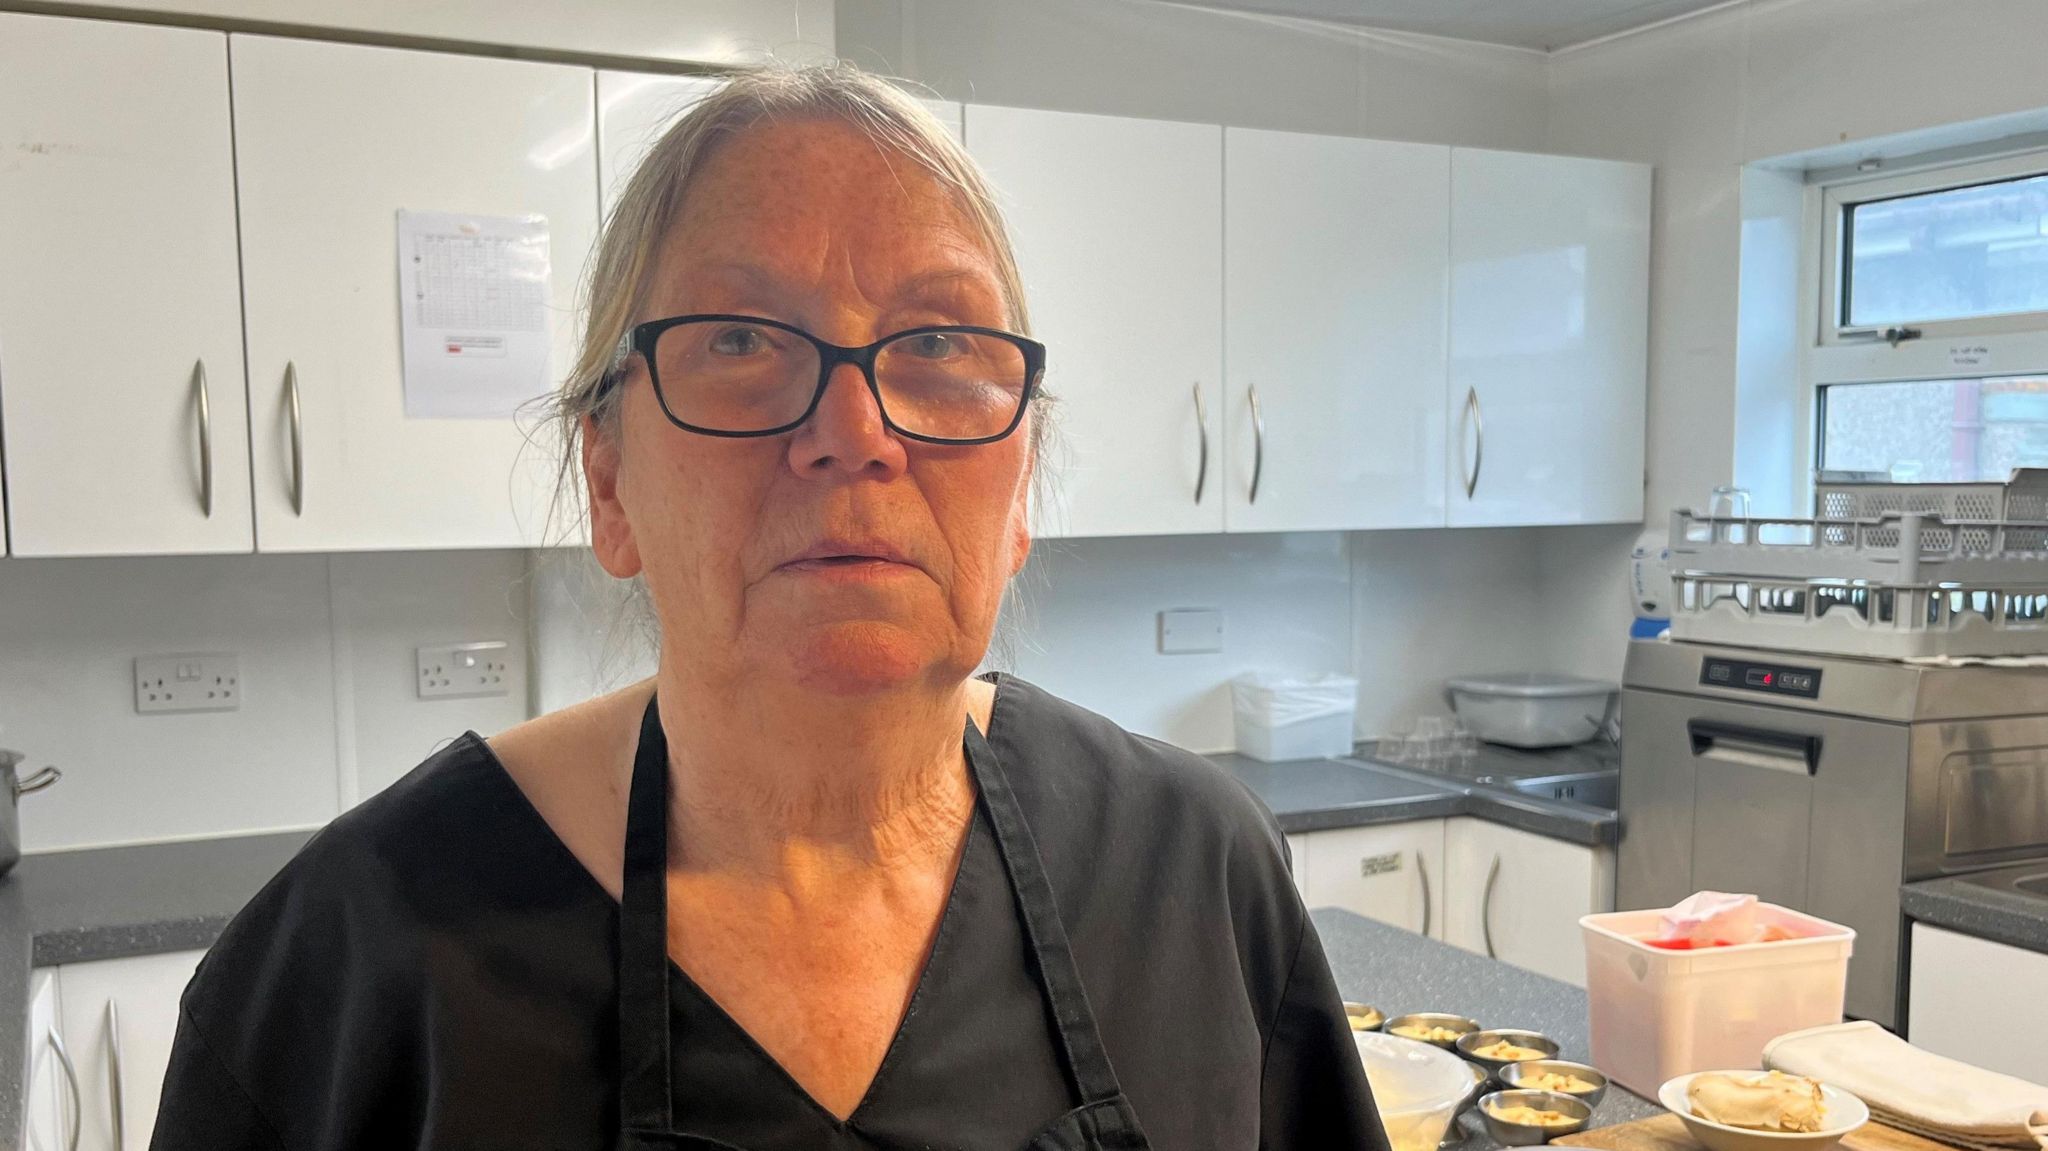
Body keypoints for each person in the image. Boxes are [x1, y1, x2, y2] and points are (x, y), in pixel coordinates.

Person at [150, 62, 1388, 1151]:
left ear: (1020, 496)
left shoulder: (1197, 875)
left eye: (940, 343)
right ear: (609, 482)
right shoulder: (354, 955)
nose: (851, 436)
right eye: (740, 339)